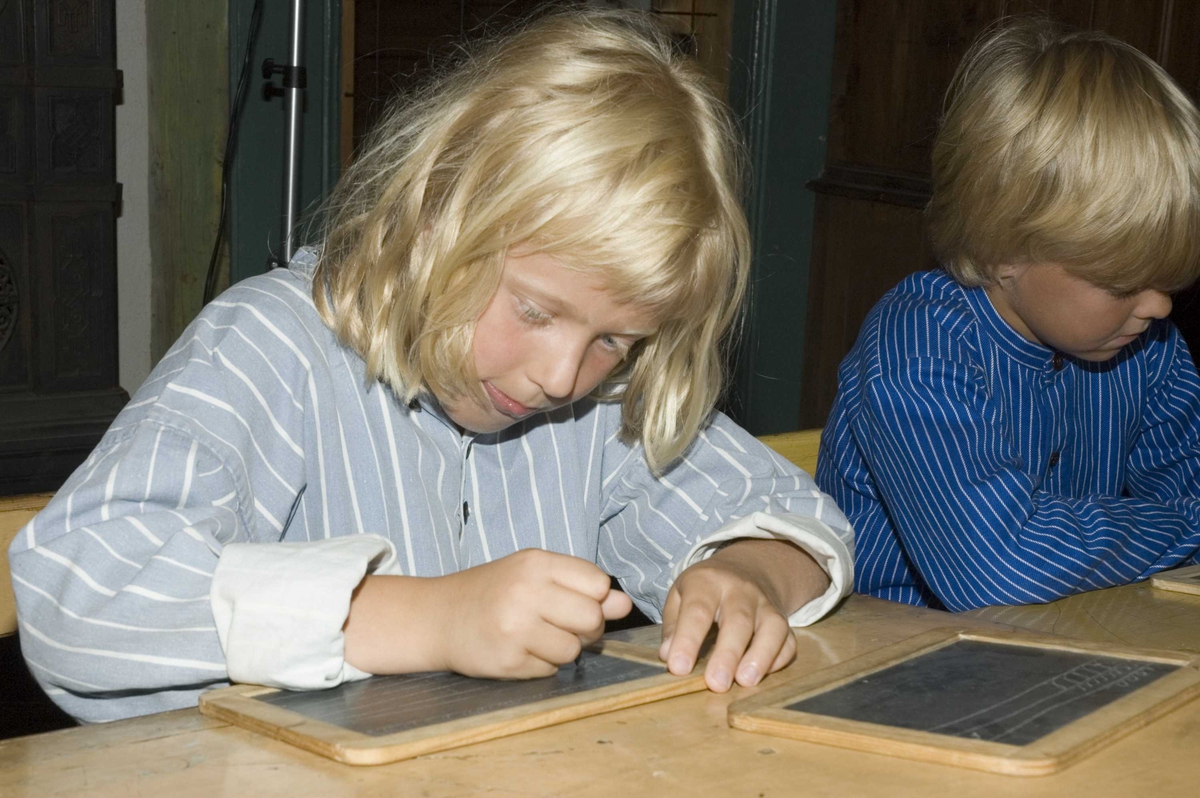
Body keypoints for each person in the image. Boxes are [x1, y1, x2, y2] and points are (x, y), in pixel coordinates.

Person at [10, 9, 853, 723]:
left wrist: (746, 576)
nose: (563, 376)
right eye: (533, 309)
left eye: (616, 341)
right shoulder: (275, 345)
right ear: (438, 211)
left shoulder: (591, 411)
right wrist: (424, 617)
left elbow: (788, 517)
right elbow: (75, 597)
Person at [817, 18, 1200, 612]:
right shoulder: (918, 346)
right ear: (1005, 249)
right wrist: (1176, 525)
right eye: (1122, 280)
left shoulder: (1151, 350)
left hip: (1060, 635)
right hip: (897, 654)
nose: (1158, 306)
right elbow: (999, 570)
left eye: (1167, 276)